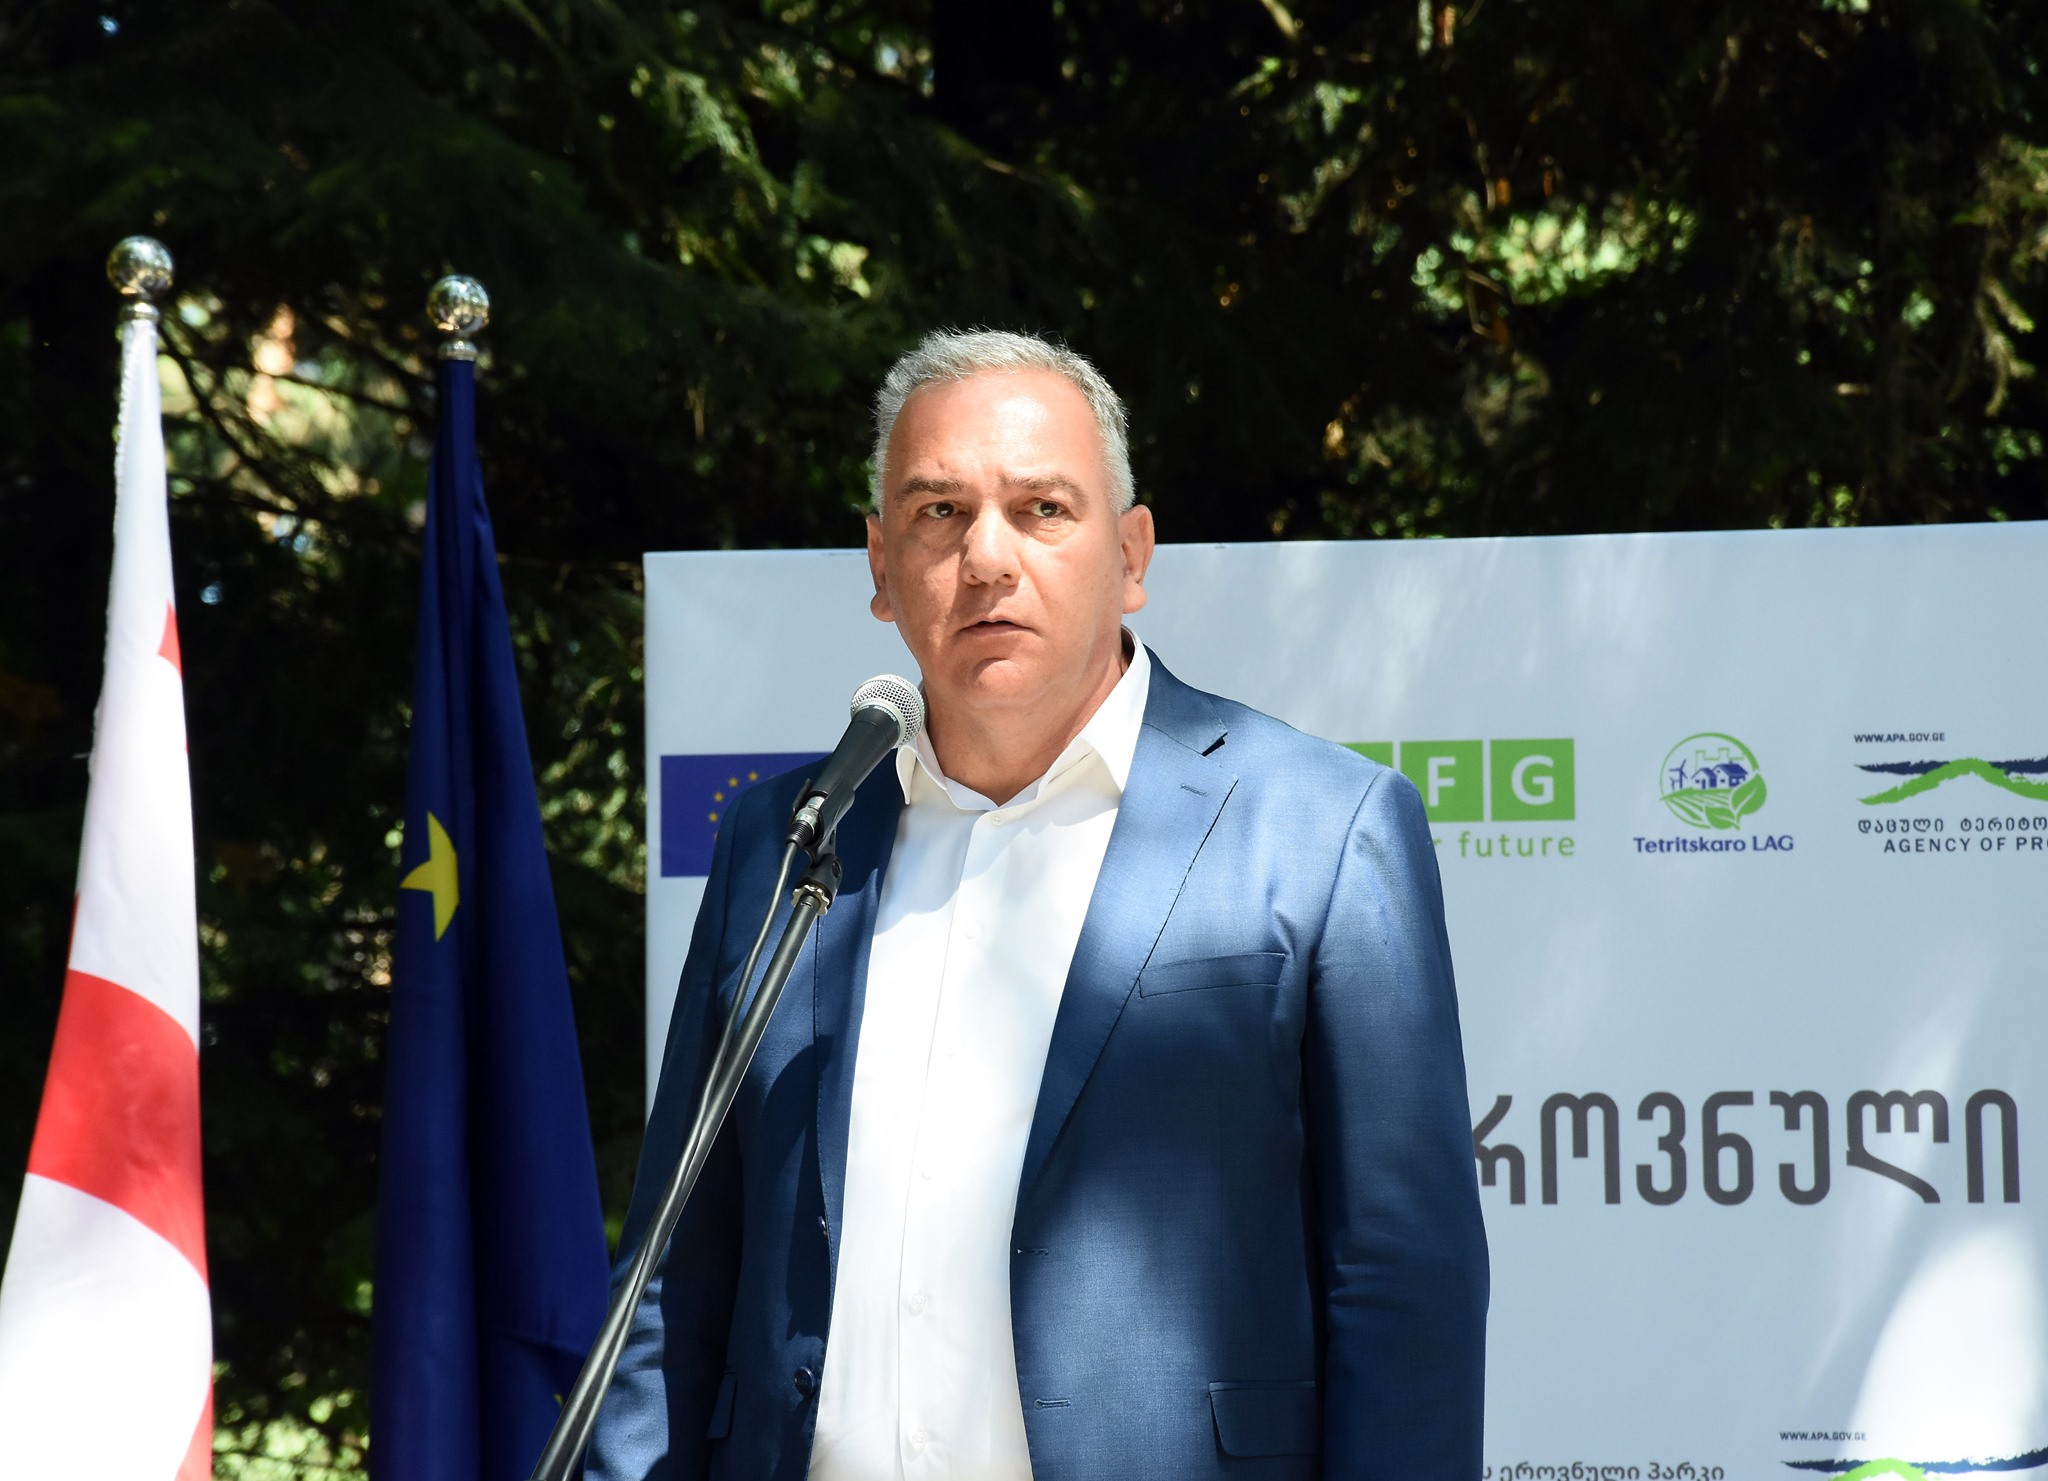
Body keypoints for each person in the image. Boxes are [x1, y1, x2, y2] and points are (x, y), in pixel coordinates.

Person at [588, 330, 1487, 1481]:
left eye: (1041, 509)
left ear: (1130, 554)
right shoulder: (789, 836)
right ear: (878, 564)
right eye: (938, 512)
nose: (985, 557)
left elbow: (1402, 1282)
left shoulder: (1319, 827)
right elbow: (675, 1269)